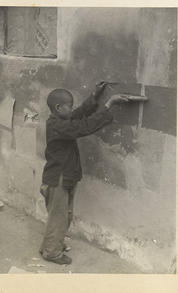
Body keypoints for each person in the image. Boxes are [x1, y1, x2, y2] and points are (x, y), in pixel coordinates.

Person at [39, 82, 128, 265]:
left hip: (66, 177)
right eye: (69, 106)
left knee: (64, 216)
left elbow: (78, 114)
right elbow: (85, 126)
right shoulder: (57, 126)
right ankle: (51, 253)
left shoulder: (61, 120)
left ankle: (50, 245)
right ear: (58, 108)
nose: (72, 110)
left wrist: (94, 96)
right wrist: (109, 103)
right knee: (59, 217)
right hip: (58, 179)